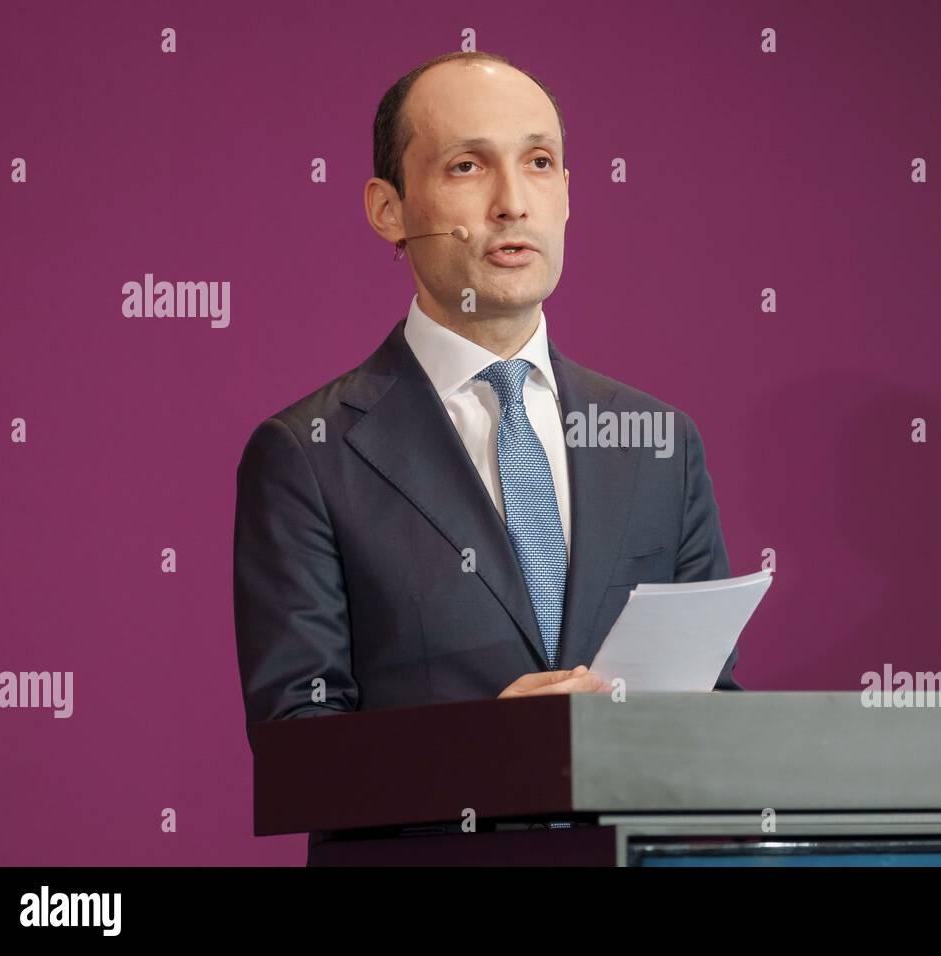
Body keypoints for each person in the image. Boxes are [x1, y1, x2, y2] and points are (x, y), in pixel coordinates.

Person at [232, 51, 743, 801]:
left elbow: (717, 714)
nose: (513, 203)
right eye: (467, 166)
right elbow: (295, 756)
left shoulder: (659, 442)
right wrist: (486, 751)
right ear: (389, 209)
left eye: (539, 162)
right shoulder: (307, 455)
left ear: (567, 195)